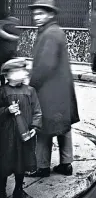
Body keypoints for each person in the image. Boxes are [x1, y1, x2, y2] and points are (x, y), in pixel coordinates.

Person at [28, 0, 79, 178]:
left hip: (49, 90)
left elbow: (44, 65)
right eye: (35, 13)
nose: (37, 17)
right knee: (63, 125)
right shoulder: (55, 31)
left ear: (50, 14)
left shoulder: (49, 34)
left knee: (43, 127)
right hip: (61, 89)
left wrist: (31, 86)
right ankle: (66, 163)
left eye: (41, 13)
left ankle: (41, 167)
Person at [0, 58, 42, 198]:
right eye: (19, 71)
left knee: (22, 162)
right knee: (5, 161)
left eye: (24, 70)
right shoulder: (3, 91)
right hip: (7, 137)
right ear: (8, 75)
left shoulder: (31, 91)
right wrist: (7, 110)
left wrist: (35, 127)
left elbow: (37, 111)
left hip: (24, 136)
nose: (24, 73)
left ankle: (18, 189)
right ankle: (1, 191)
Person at [0, 17, 21, 86]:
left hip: (5, 54)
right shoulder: (13, 29)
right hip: (7, 53)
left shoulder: (5, 27)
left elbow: (8, 37)